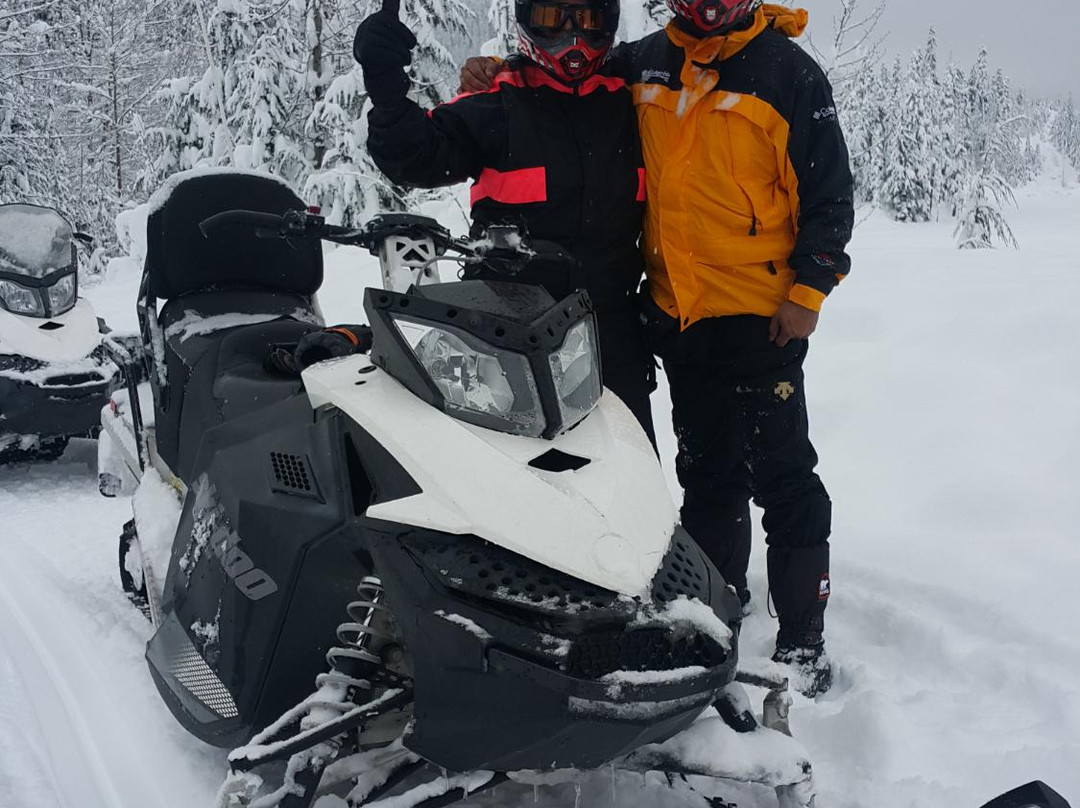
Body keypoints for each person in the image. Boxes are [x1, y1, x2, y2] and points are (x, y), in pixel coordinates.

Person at [461, 0, 853, 696]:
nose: (706, 6)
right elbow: (565, 76)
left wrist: (809, 290)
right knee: (708, 474)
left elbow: (829, 196)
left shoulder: (788, 74)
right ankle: (713, 610)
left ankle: (802, 640)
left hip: (762, 313)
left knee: (784, 474)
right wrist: (497, 73)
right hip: (677, 308)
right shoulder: (641, 62)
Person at [353, 0, 657, 445]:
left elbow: (691, 56)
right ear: (527, 20)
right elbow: (416, 156)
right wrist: (385, 84)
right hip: (507, 334)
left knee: (632, 474)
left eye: (588, 19)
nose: (573, 36)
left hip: (609, 329)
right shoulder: (497, 100)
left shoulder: (631, 93)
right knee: (512, 481)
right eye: (553, 18)